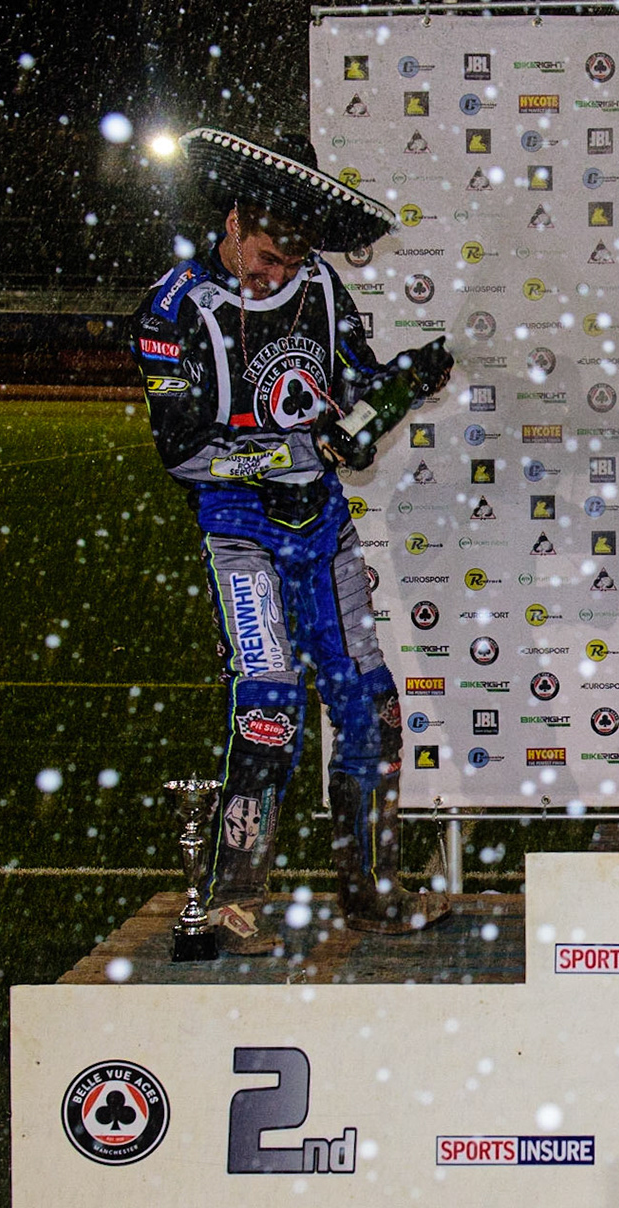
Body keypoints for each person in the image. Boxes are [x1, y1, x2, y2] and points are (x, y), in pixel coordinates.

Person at [130, 128, 453, 954]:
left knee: (371, 706)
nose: (276, 274)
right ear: (233, 223)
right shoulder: (175, 307)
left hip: (325, 527)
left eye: (288, 260)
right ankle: (231, 900)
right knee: (268, 705)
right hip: (241, 532)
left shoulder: (319, 282)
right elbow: (180, 450)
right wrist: (297, 448)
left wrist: (403, 385)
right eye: (266, 257)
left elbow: (351, 394)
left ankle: (371, 887)